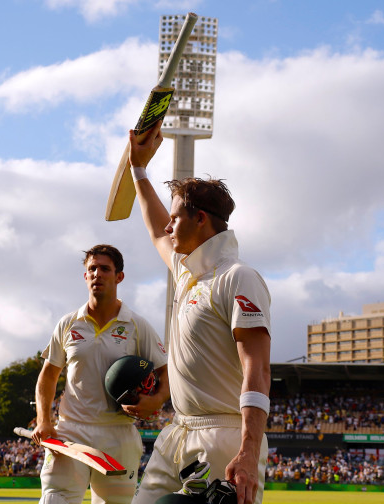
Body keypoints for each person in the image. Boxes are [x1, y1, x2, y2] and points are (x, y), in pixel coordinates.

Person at [127, 121, 272, 504]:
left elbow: (258, 369)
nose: (168, 225)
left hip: (222, 438)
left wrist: (249, 451)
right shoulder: (187, 273)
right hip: (176, 433)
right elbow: (157, 230)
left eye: (176, 217)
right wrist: (138, 169)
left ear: (201, 219)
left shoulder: (238, 278)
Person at [33, 244, 170, 504]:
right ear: (85, 277)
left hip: (118, 434)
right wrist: (44, 420)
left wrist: (157, 399)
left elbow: (167, 372)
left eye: (105, 269)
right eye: (91, 269)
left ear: (119, 276)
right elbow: (48, 376)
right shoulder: (68, 323)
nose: (97, 274)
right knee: (55, 499)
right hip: (71, 431)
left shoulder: (137, 325)